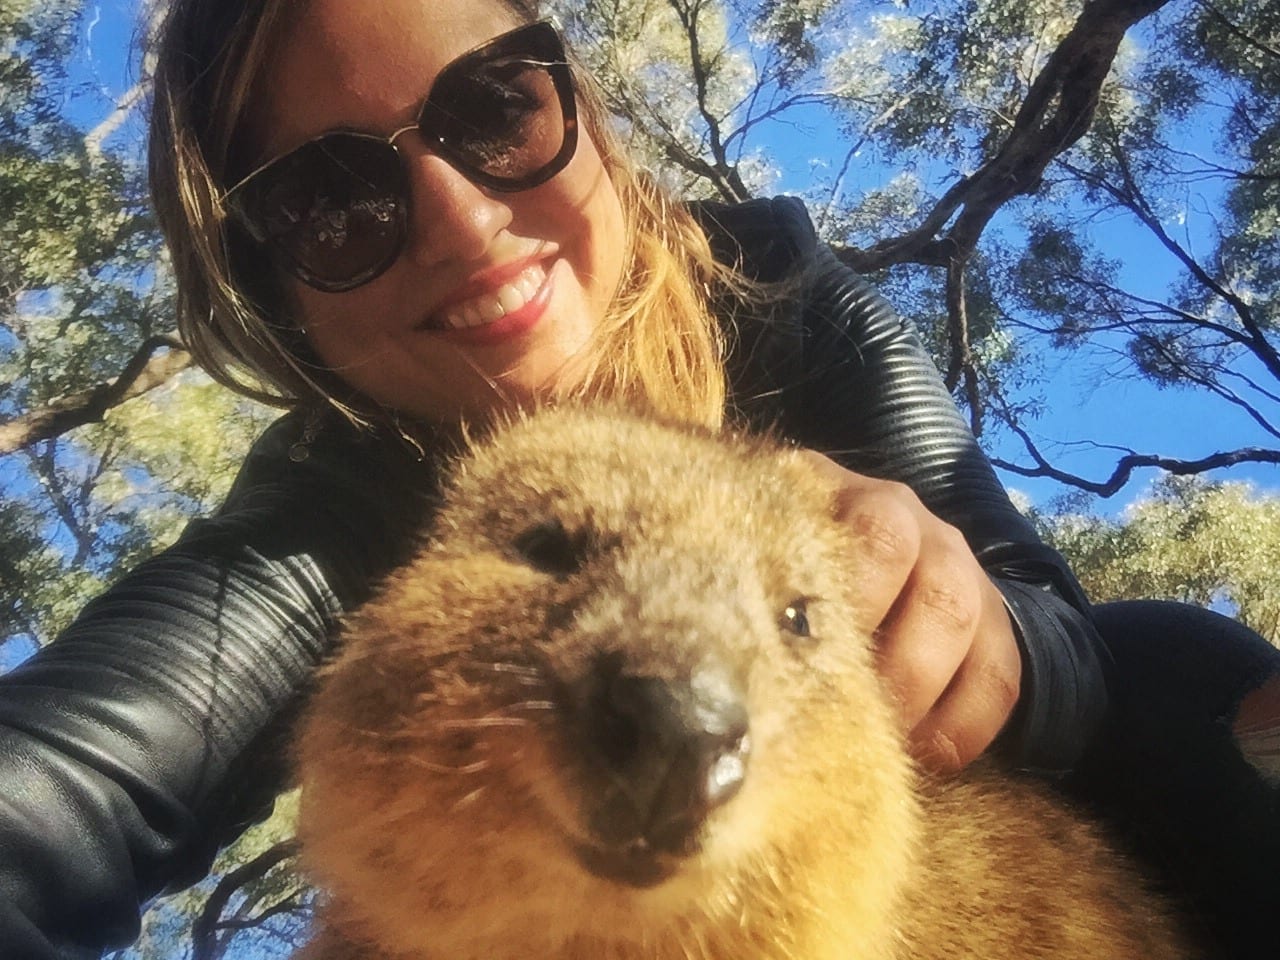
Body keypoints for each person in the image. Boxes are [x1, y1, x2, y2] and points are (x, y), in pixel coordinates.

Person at [0, 0, 1274, 957]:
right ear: (279, 293)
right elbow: (50, 794)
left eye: (491, 107)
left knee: (1176, 668)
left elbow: (1038, 617)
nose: (455, 216)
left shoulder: (781, 297)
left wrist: (981, 628)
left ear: (578, 110)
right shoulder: (327, 511)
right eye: (329, 201)